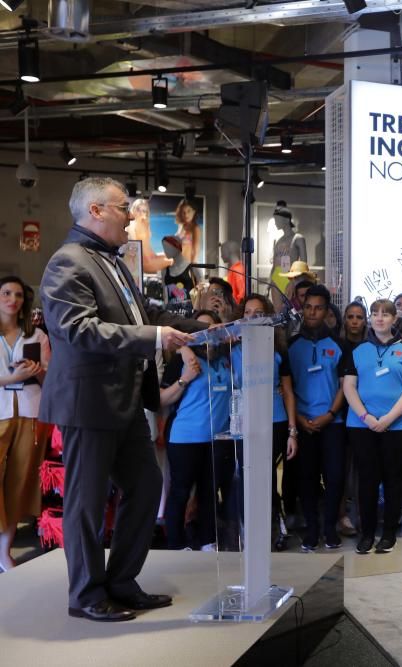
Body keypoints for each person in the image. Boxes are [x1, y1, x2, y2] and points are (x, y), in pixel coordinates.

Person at [40, 176, 204, 622]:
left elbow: (143, 315)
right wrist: (153, 337)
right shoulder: (67, 263)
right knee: (86, 504)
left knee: (147, 486)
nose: (131, 214)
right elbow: (78, 329)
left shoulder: (114, 261)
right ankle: (87, 595)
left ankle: (121, 581)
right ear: (95, 211)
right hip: (88, 403)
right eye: (122, 206)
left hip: (126, 400)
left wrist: (201, 325)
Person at [342, 299, 402, 554]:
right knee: (367, 480)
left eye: (385, 314)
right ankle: (366, 534)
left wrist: (388, 418)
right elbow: (349, 386)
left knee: (394, 479)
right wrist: (366, 417)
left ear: (393, 319)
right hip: (362, 426)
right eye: (374, 314)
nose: (379, 318)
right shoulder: (358, 350)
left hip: (399, 426)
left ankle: (389, 533)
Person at [160, 310, 234, 552]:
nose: (204, 334)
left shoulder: (227, 357)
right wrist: (185, 378)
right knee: (180, 492)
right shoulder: (182, 361)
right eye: (198, 329)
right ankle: (176, 544)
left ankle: (207, 541)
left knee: (209, 492)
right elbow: (160, 399)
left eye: (210, 328)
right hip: (185, 438)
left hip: (217, 438)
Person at [288, 285, 347, 551]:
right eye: (308, 307)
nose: (312, 312)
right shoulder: (290, 346)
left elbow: (345, 385)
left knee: (334, 478)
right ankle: (312, 530)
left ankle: (329, 529)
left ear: (327, 310)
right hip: (302, 424)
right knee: (306, 480)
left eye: (318, 307)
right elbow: (286, 388)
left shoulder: (339, 345)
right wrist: (298, 419)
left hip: (332, 423)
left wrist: (331, 414)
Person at [242, 294, 299, 551]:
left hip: (274, 422)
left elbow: (287, 391)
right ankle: (246, 530)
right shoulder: (232, 346)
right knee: (245, 479)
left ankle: (276, 529)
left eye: (258, 312)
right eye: (247, 312)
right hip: (242, 423)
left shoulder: (278, 351)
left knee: (265, 479)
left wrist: (292, 430)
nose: (252, 317)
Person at [0, 276, 50, 571]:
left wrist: (38, 370)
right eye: (6, 293)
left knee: (19, 481)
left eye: (18, 294)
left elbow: (50, 378)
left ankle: (5, 550)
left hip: (31, 409)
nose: (12, 299)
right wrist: (11, 379)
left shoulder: (36, 336)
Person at [126, 199, 172, 274]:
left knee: (178, 255)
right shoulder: (131, 226)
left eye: (144, 211)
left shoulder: (145, 223)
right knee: (174, 261)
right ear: (133, 209)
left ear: (146, 213)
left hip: (152, 257)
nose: (141, 213)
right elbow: (132, 250)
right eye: (138, 210)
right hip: (146, 263)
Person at [174, 199, 201, 265]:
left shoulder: (195, 228)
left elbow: (195, 251)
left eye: (189, 211)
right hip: (177, 264)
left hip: (186, 265)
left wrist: (193, 267)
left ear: (194, 212)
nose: (186, 214)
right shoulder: (181, 225)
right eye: (183, 212)